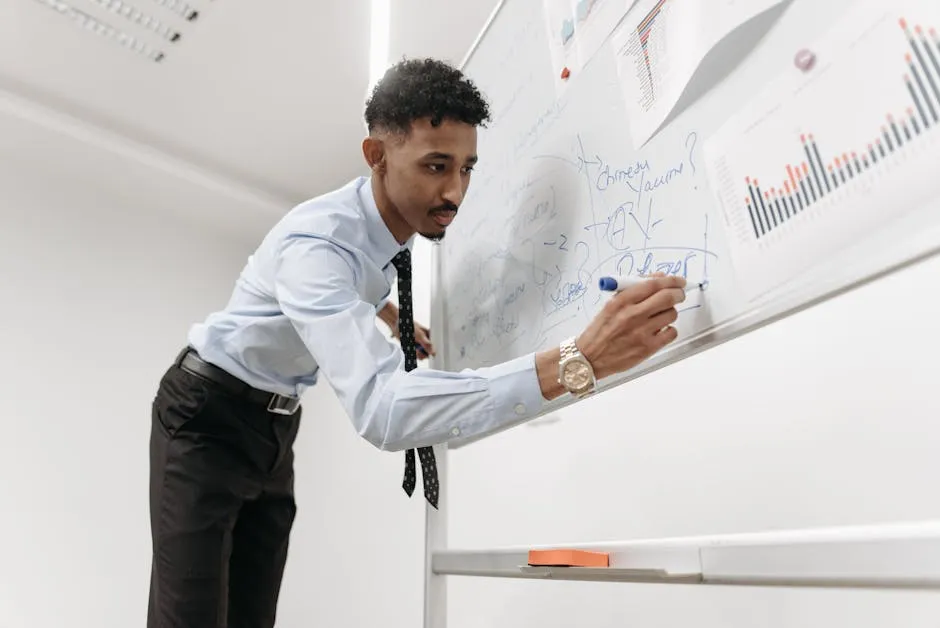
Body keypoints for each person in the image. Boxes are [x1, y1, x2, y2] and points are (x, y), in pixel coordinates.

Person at [147, 57, 687, 627]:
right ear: (376, 156)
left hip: (275, 427)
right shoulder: (317, 248)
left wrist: (381, 309)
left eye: (466, 168)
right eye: (435, 165)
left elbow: (353, 273)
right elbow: (383, 410)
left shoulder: (377, 234)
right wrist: (577, 361)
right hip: (206, 416)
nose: (454, 191)